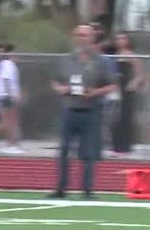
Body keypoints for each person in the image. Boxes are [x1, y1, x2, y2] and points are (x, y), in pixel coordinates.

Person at [49, 24, 117, 199]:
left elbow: (112, 85)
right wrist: (61, 89)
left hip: (91, 110)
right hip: (69, 109)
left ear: (92, 38)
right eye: (79, 35)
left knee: (88, 152)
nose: (82, 38)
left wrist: (95, 92)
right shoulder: (66, 60)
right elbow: (55, 82)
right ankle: (61, 188)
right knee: (64, 149)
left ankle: (87, 189)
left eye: (85, 35)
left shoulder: (101, 61)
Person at [110, 33, 143, 155]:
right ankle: (116, 146)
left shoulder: (131, 55)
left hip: (126, 90)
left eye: (123, 38)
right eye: (118, 38)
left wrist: (134, 83)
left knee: (125, 117)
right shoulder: (113, 55)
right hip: (114, 89)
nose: (120, 41)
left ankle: (125, 147)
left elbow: (140, 74)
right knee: (114, 117)